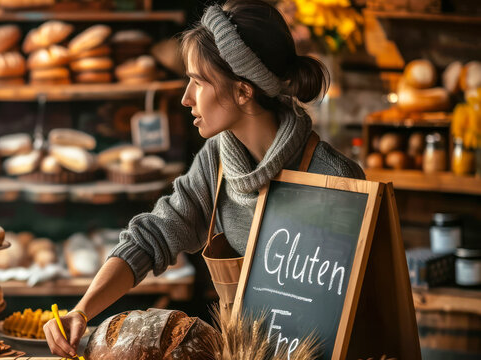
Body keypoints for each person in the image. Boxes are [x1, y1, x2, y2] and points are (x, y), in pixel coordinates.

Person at [44, 0, 365, 357]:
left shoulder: (335, 180)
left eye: (198, 82)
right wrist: (82, 310)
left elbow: (361, 311)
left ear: (243, 91)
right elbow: (153, 236)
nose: (185, 98)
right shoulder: (217, 161)